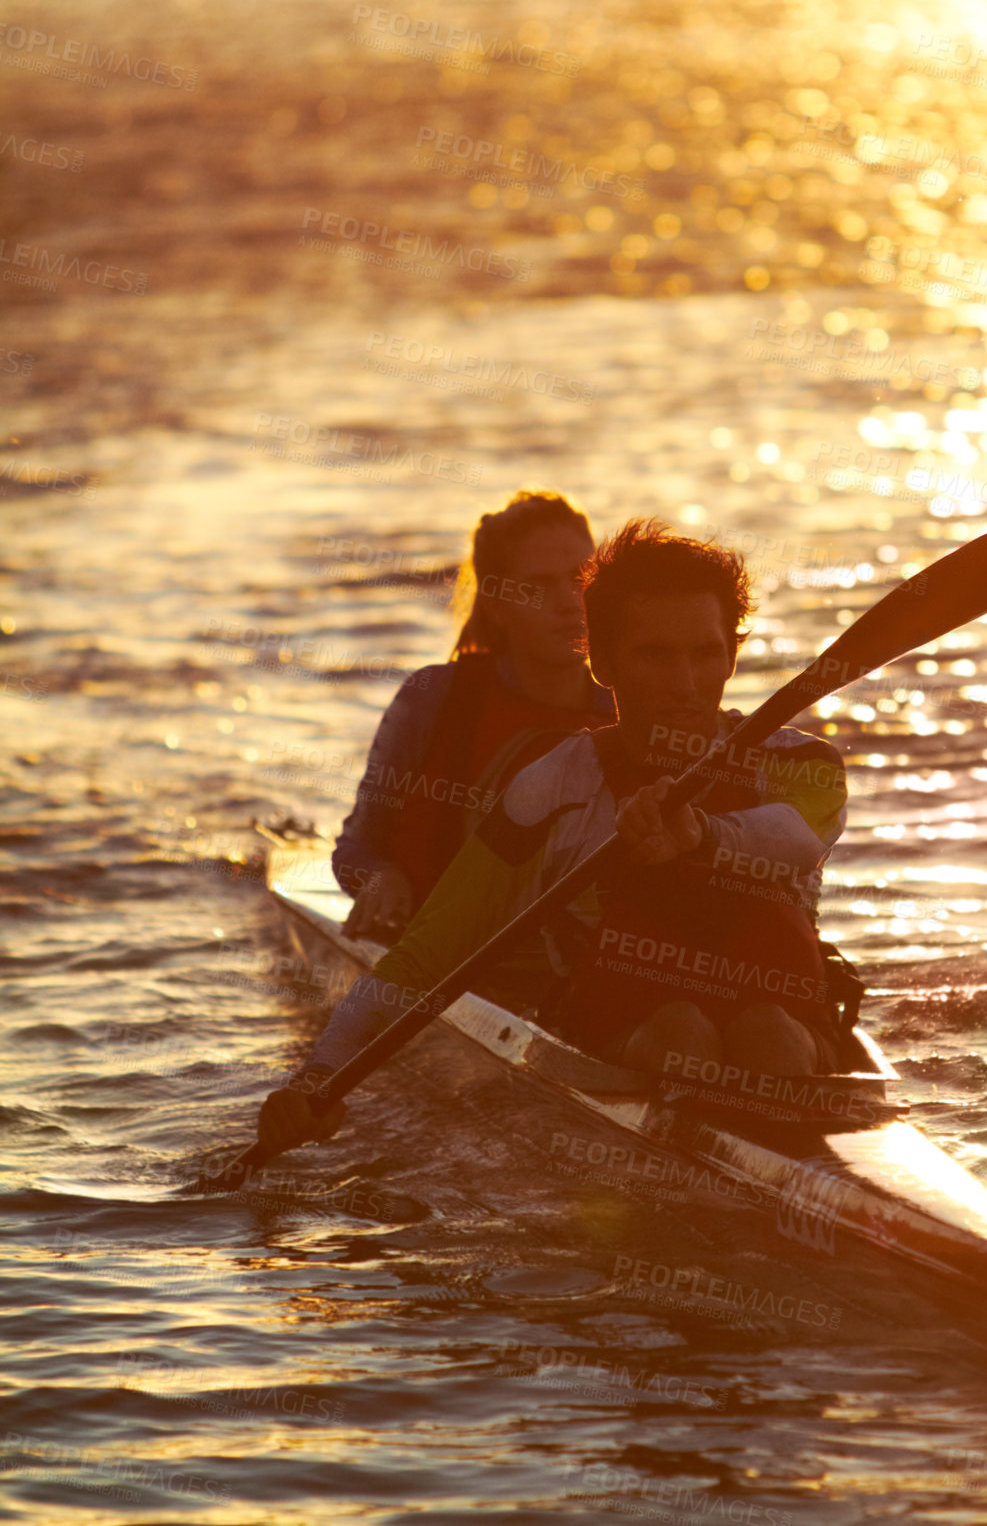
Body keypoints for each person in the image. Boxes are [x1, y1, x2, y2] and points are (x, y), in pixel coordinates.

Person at [259, 519, 848, 1154]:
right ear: (602, 662)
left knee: (768, 1036)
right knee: (686, 1035)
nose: (685, 682)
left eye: (705, 654)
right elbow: (429, 954)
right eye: (656, 655)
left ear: (732, 656)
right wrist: (320, 1077)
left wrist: (699, 836)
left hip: (781, 1031)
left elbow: (789, 838)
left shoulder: (801, 765)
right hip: (623, 1028)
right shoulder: (552, 787)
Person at [333, 489, 615, 942]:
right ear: (498, 606)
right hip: (435, 953)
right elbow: (356, 849)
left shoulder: (634, 710)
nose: (570, 603)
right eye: (540, 587)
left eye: (581, 580)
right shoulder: (433, 700)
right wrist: (381, 878)